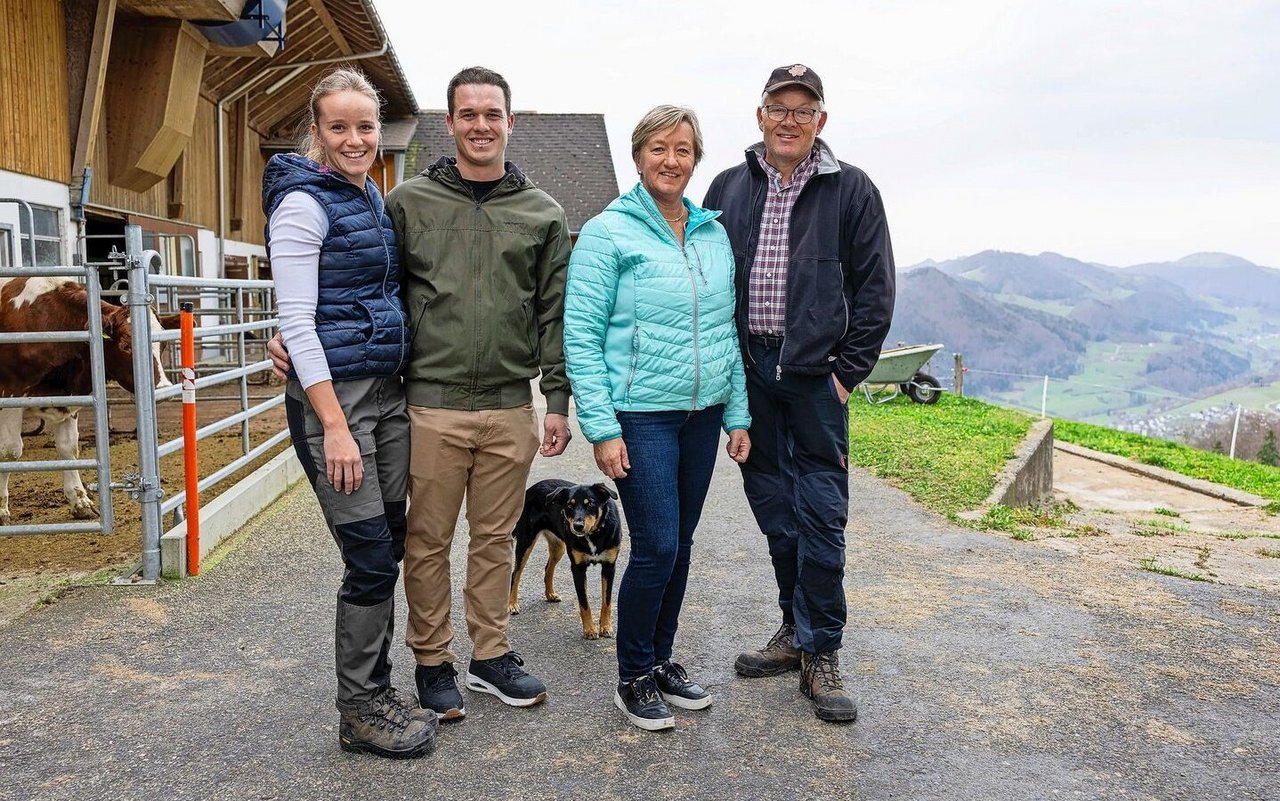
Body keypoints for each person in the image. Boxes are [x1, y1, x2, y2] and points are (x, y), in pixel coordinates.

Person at [270, 66, 572, 721]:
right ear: (450, 122)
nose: (481, 125)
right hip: (428, 404)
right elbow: (360, 280)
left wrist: (556, 400)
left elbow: (554, 314)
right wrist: (292, 334)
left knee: (495, 538)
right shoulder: (406, 203)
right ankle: (432, 662)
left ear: (510, 122)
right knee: (425, 542)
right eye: (468, 113)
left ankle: (491, 655)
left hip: (508, 405)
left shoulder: (543, 213)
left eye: (493, 114)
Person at [703, 64, 896, 724]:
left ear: (821, 120)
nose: (789, 119)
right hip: (751, 371)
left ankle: (822, 651)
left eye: (803, 108)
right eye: (778, 107)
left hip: (817, 380)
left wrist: (846, 374)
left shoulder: (852, 190)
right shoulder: (728, 186)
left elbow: (875, 291)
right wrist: (727, 376)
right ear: (759, 116)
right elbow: (705, 280)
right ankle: (793, 629)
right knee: (775, 509)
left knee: (819, 514)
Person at [262, 67, 435, 759]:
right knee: (367, 555)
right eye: (340, 126)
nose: (356, 138)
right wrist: (333, 423)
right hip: (338, 403)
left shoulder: (368, 195)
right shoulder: (305, 203)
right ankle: (359, 708)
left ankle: (374, 686)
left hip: (386, 393)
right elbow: (297, 324)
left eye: (365, 125)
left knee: (387, 543)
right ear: (318, 129)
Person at [564, 105, 751, 732]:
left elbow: (728, 330)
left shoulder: (710, 233)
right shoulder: (607, 232)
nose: (671, 161)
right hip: (640, 416)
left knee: (681, 547)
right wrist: (603, 427)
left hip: (701, 417)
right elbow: (582, 338)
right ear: (637, 154)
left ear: (695, 159)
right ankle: (634, 674)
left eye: (683, 150)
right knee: (658, 545)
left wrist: (737, 414)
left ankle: (663, 660)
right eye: (658, 149)